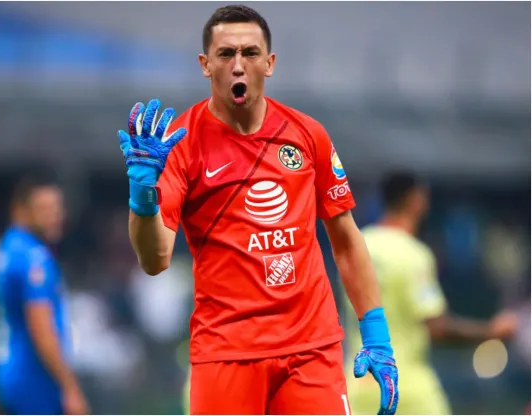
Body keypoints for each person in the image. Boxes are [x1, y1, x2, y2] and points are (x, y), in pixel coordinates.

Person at [118, 5, 398, 415]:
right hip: (225, 352)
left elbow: (345, 239)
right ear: (205, 64)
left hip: (310, 350)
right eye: (226, 54)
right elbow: (155, 258)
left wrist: (376, 336)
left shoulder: (307, 134)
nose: (238, 65)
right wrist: (142, 194)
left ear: (269, 63)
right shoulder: (181, 144)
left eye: (250, 53)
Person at [345, 172, 518, 415]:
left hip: (359, 383)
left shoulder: (359, 246)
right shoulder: (413, 254)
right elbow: (437, 327)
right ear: (416, 200)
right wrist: (491, 330)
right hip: (407, 387)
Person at [0, 175, 89, 415]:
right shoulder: (32, 258)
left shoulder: (10, 248)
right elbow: (42, 328)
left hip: (16, 371)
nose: (56, 216)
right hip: (34, 377)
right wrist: (70, 386)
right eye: (44, 209)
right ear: (21, 210)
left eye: (58, 208)